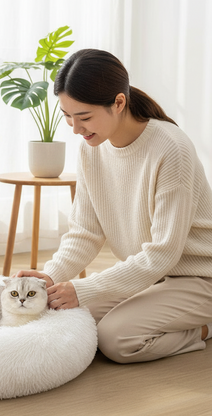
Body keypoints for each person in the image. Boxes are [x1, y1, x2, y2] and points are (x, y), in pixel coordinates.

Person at [13, 48, 212, 364]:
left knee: (114, 340)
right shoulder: (92, 149)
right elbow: (85, 234)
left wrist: (85, 288)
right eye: (67, 116)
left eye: (85, 117)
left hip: (199, 280)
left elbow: (163, 253)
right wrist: (49, 277)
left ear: (119, 103)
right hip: (150, 278)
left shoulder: (171, 150)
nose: (76, 129)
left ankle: (204, 327)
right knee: (63, 318)